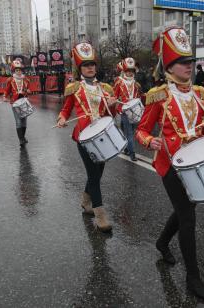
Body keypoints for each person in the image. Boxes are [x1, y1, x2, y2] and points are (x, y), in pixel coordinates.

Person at [135, 26, 204, 301]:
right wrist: (149, 141)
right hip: (171, 166)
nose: (189, 66)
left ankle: (163, 242)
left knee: (183, 211)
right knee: (188, 218)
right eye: (183, 62)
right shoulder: (159, 96)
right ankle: (193, 278)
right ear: (170, 66)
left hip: (196, 165)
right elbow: (142, 129)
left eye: (190, 61)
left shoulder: (200, 94)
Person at [56, 42, 118, 232]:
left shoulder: (106, 88)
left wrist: (112, 104)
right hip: (84, 137)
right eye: (86, 65)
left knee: (98, 173)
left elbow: (110, 116)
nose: (90, 68)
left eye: (92, 65)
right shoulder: (74, 88)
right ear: (80, 68)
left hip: (102, 136)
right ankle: (100, 216)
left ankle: (85, 201)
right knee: (93, 174)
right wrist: (61, 119)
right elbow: (66, 110)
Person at [113, 57, 142, 161]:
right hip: (125, 111)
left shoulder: (136, 83)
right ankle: (132, 153)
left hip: (135, 111)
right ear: (124, 71)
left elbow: (139, 96)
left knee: (131, 132)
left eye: (132, 71)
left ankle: (126, 148)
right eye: (128, 71)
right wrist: (115, 102)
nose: (130, 73)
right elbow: (114, 96)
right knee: (129, 133)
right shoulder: (119, 82)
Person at [3, 60, 31, 147]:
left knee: (24, 121)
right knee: (18, 121)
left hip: (24, 101)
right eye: (16, 70)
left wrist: (28, 91)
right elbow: (7, 90)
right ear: (14, 71)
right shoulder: (10, 80)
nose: (18, 72)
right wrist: (5, 96)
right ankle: (21, 139)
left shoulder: (26, 80)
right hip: (15, 102)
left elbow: (28, 90)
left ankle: (23, 137)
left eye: (19, 70)